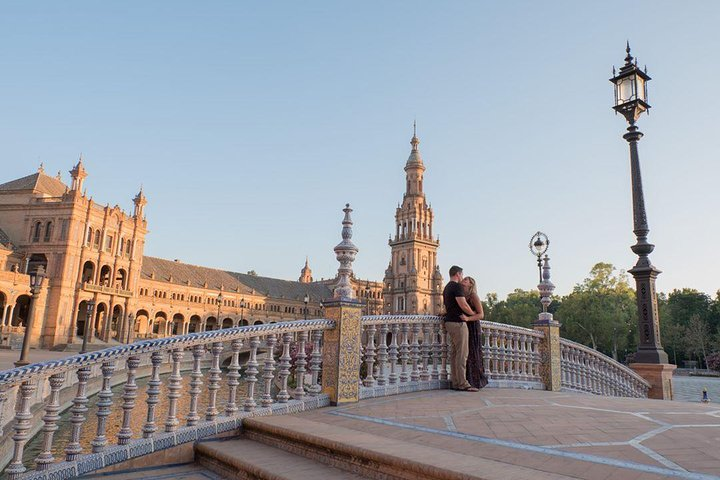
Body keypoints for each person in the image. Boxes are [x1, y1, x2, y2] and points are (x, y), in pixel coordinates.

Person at [442, 265, 479, 392]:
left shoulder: (446, 287)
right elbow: (462, 304)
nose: (462, 277)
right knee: (462, 354)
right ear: (458, 274)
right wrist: (473, 314)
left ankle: (456, 382)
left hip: (448, 322)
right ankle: (463, 383)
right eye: (462, 275)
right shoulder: (456, 286)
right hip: (458, 323)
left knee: (454, 354)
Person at [460, 276, 488, 389]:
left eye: (466, 280)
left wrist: (467, 319)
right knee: (465, 353)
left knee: (472, 353)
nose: (463, 280)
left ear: (471, 284)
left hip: (473, 326)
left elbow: (481, 314)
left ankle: (475, 382)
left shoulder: (473, 296)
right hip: (464, 327)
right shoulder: (462, 296)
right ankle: (466, 380)